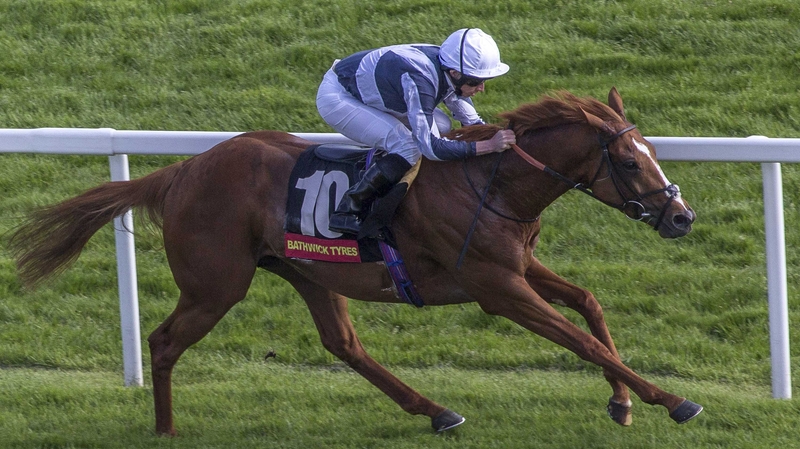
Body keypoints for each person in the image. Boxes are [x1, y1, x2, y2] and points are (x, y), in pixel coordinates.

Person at [316, 28, 516, 235]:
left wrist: (497, 138)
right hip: (338, 97)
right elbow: (430, 147)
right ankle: (348, 210)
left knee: (443, 126)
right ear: (455, 74)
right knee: (407, 146)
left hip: (374, 90)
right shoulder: (420, 78)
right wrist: (489, 145)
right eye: (475, 81)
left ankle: (393, 174)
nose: (481, 88)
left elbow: (470, 120)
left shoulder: (449, 66)